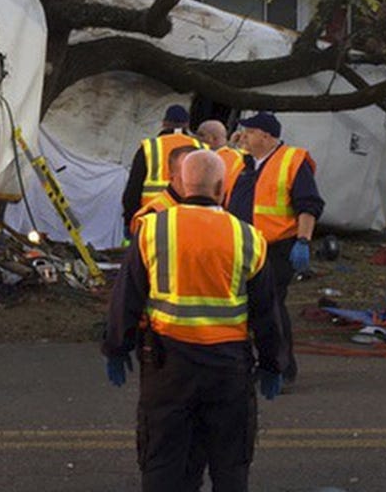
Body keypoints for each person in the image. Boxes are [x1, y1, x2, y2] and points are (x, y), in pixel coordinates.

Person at [103, 150, 284, 492]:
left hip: (168, 365)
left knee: (164, 462)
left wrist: (116, 346)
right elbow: (267, 311)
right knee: (229, 465)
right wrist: (274, 363)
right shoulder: (248, 237)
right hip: (228, 368)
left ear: (183, 185)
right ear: (221, 187)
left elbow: (126, 297)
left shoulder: (153, 229)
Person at [225, 112, 321, 385]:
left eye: (249, 132)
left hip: (276, 247)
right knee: (244, 308)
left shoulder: (292, 161)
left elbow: (309, 204)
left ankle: (281, 368)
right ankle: (252, 363)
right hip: (243, 247)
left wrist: (303, 240)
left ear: (266, 136)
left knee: (271, 306)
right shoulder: (243, 164)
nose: (243, 137)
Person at [122, 104, 204, 224]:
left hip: (150, 217)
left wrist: (130, 219)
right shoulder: (202, 149)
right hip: (189, 220)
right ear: (187, 124)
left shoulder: (150, 147)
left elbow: (133, 188)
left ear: (164, 123)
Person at [197, 119, 247, 203]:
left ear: (212, 139)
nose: (196, 138)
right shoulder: (239, 156)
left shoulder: (212, 160)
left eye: (201, 135)